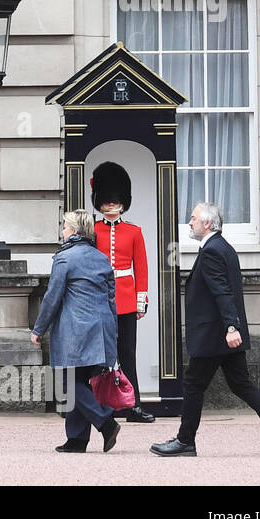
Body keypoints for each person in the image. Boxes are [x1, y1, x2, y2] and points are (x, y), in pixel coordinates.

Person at [151, 203, 260, 458]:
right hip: (224, 333)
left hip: (215, 334)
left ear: (207, 223)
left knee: (194, 384)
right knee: (241, 383)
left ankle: (185, 441)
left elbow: (222, 292)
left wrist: (230, 327)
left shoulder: (211, 251)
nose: (190, 222)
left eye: (194, 218)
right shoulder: (223, 247)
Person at [31, 209, 122, 453]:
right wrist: (112, 335)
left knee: (67, 383)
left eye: (64, 227)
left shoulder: (65, 258)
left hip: (76, 329)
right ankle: (77, 439)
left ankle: (106, 422)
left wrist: (38, 329)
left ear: (73, 230)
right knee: (79, 381)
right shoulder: (101, 258)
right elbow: (111, 299)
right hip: (100, 328)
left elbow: (52, 298)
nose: (62, 231)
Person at [90, 161, 154, 423]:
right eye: (107, 201)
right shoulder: (93, 230)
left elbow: (142, 268)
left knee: (128, 353)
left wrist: (141, 300)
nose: (111, 205)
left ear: (123, 202)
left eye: (115, 201)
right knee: (104, 355)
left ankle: (133, 405)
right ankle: (105, 406)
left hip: (126, 301)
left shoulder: (134, 231)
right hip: (101, 300)